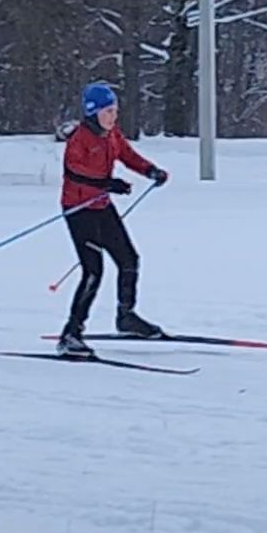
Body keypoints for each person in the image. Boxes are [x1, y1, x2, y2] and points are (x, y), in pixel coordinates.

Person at [56, 82, 168, 356]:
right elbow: (76, 174)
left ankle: (126, 317)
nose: (113, 116)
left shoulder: (111, 135)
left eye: (115, 110)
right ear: (93, 112)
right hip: (79, 210)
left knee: (129, 259)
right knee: (93, 271)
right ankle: (71, 334)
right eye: (108, 111)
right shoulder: (79, 140)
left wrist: (150, 171)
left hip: (101, 207)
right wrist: (108, 183)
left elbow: (128, 155)